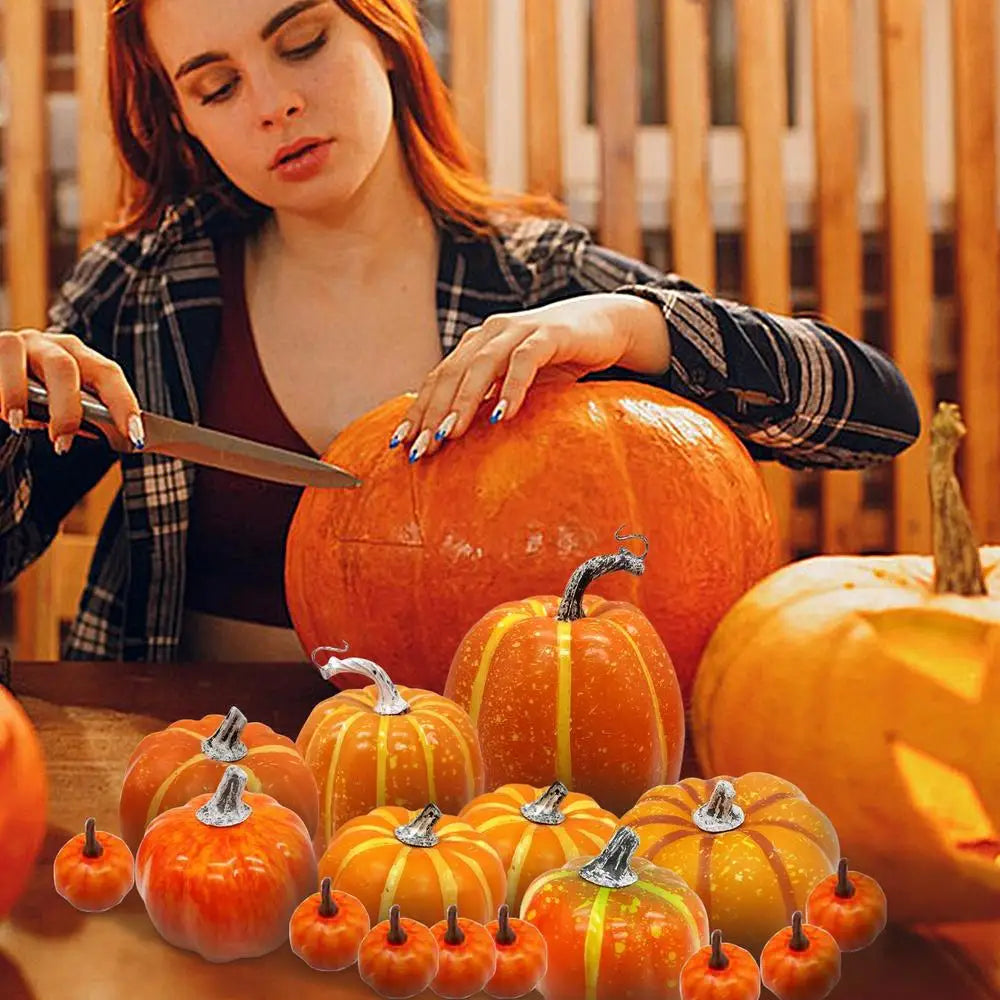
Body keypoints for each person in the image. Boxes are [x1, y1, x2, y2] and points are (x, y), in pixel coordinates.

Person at [0, 0, 919, 663]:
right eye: (216, 86)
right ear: (185, 124)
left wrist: (630, 324)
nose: (271, 102)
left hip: (471, 809)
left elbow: (878, 415)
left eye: (305, 42)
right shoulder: (144, 287)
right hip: (185, 781)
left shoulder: (537, 285)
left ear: (388, 36)